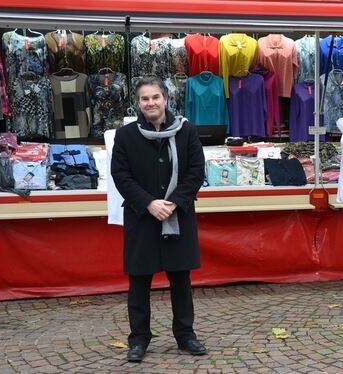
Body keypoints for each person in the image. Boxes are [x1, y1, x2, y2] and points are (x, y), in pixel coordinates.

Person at [111, 75, 207, 362]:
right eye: (144, 99)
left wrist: (174, 203)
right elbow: (121, 175)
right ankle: (139, 339)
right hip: (142, 217)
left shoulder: (186, 131)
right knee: (139, 282)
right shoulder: (126, 135)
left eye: (155, 97)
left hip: (178, 215)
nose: (150, 103)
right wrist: (149, 203)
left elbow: (195, 172)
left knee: (181, 279)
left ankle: (185, 335)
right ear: (138, 103)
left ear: (165, 99)